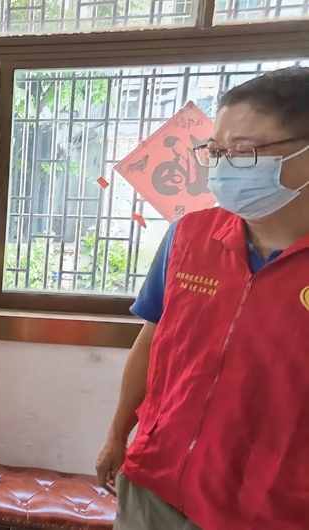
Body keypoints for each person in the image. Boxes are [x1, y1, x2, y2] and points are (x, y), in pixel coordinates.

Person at [95, 67, 309, 530]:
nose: (223, 166)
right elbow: (151, 344)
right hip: (154, 485)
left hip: (269, 509)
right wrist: (117, 434)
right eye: (215, 151)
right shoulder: (189, 236)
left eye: (244, 151)